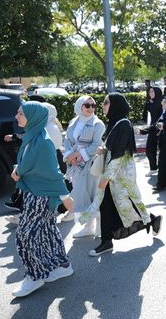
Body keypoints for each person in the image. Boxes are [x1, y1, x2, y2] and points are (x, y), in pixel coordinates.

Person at [84, 93, 162, 256]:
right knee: (111, 207)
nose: (103, 105)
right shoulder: (114, 123)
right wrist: (103, 149)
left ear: (115, 105)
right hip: (112, 174)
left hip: (119, 176)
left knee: (125, 205)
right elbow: (112, 148)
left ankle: (151, 220)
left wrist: (105, 178)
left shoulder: (123, 124)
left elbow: (119, 155)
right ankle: (107, 241)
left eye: (106, 102)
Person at [11, 101, 73, 297]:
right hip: (34, 192)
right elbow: (29, 163)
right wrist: (18, 169)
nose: (16, 116)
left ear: (34, 117)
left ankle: (36, 276)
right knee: (47, 231)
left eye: (21, 113)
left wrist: (66, 198)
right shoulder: (32, 136)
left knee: (25, 236)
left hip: (40, 196)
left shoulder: (43, 141)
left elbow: (53, 172)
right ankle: (63, 265)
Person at [63, 96, 106, 238]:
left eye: (93, 105)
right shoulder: (73, 122)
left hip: (91, 164)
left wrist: (77, 154)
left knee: (92, 195)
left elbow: (96, 145)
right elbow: (67, 140)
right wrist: (70, 155)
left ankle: (99, 227)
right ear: (80, 106)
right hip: (75, 166)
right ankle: (89, 226)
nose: (91, 108)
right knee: (81, 196)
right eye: (87, 105)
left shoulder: (97, 124)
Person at [140, 87, 164, 175]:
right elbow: (145, 115)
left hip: (161, 128)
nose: (151, 93)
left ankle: (163, 169)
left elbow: (163, 116)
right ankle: (153, 168)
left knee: (162, 151)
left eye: (152, 92)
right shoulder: (150, 102)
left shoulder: (162, 102)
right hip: (152, 128)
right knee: (149, 150)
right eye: (149, 92)